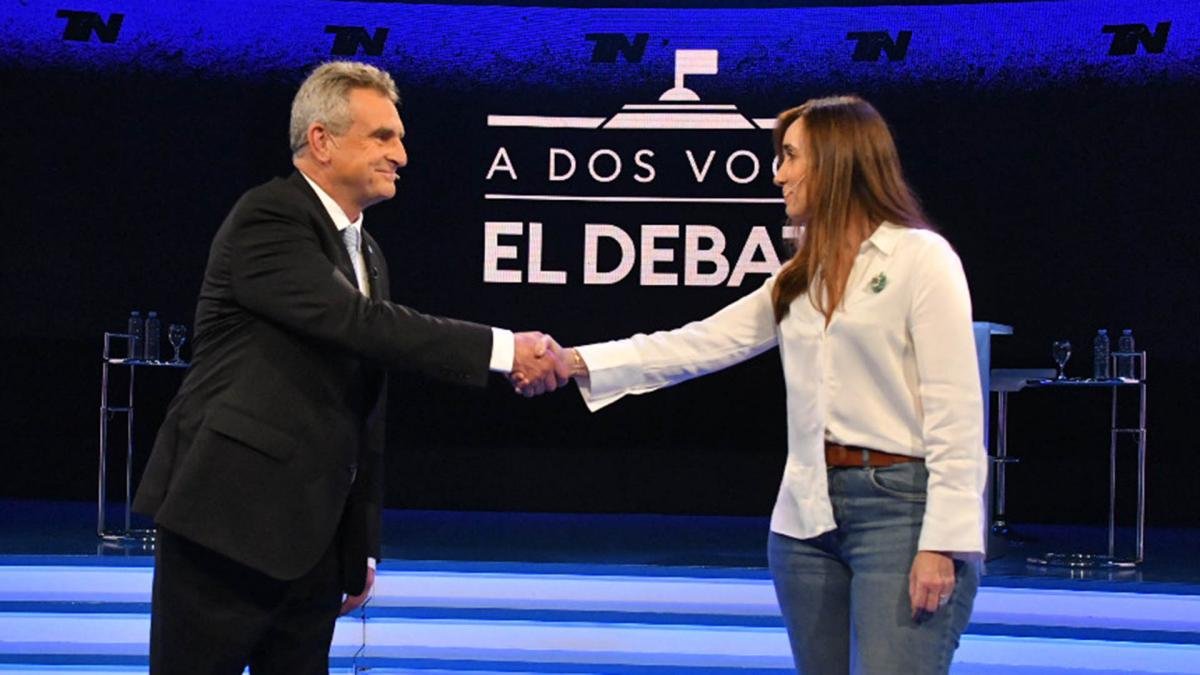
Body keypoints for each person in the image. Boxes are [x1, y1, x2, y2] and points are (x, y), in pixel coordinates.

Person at [526, 95, 985, 674]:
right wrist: (572, 362)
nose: (779, 173)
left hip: (901, 514)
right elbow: (696, 344)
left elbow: (958, 416)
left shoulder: (923, 259)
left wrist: (943, 542)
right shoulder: (799, 276)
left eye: (791, 156)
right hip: (805, 522)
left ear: (838, 161)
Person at [133, 61, 565, 674]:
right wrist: (504, 350)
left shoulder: (367, 250)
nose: (402, 155)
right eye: (382, 137)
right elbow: (360, 325)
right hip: (224, 527)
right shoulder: (270, 217)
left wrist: (359, 544)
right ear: (321, 140)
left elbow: (360, 410)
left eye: (401, 138)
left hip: (312, 545)